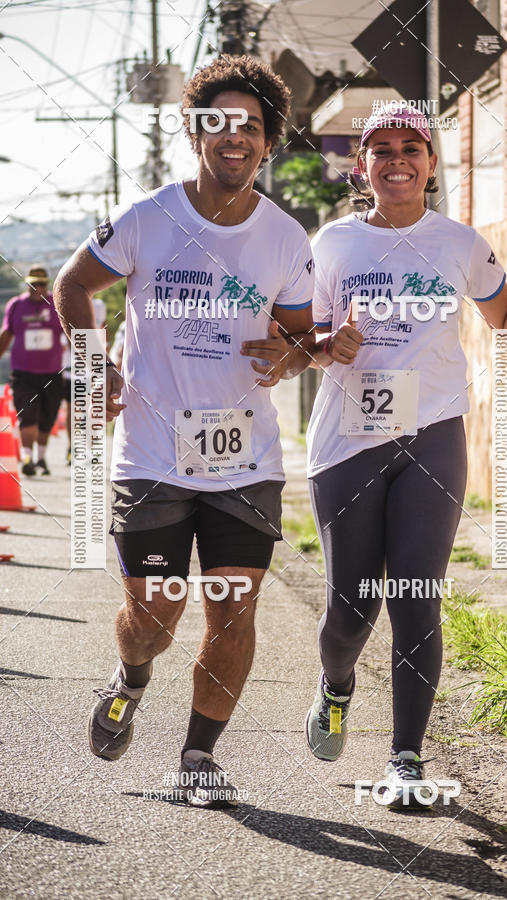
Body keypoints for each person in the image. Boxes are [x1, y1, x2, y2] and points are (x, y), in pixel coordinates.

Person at [54, 54, 315, 807]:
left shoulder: (285, 238)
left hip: (246, 458)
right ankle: (131, 676)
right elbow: (75, 285)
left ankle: (198, 756)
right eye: (221, 122)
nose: (236, 136)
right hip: (152, 456)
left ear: (268, 144)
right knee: (153, 615)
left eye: (253, 126)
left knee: (232, 608)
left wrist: (291, 354)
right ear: (196, 130)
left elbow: (304, 337)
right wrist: (92, 364)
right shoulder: (148, 218)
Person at [304, 109, 507, 809]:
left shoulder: (459, 242)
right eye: (382, 150)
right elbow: (299, 337)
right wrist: (325, 344)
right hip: (348, 440)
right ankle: (337, 685)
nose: (397, 160)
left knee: (416, 597)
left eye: (411, 149)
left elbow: (505, 314)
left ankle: (405, 758)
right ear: (362, 166)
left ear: (430, 162)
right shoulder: (331, 244)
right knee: (350, 610)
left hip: (432, 432)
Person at [0, 264, 64, 476]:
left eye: (41, 284)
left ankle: (41, 458)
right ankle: (27, 458)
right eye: (32, 284)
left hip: (52, 372)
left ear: (47, 285)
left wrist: (88, 360)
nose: (36, 288)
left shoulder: (57, 304)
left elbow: (73, 332)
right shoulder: (16, 305)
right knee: (28, 415)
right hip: (24, 373)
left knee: (47, 419)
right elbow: (6, 334)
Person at [61, 296, 107, 465]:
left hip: (94, 364)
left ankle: (94, 448)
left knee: (94, 407)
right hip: (74, 365)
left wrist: (103, 358)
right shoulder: (68, 300)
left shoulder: (99, 304)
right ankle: (72, 448)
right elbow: (66, 333)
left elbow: (102, 329)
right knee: (74, 409)